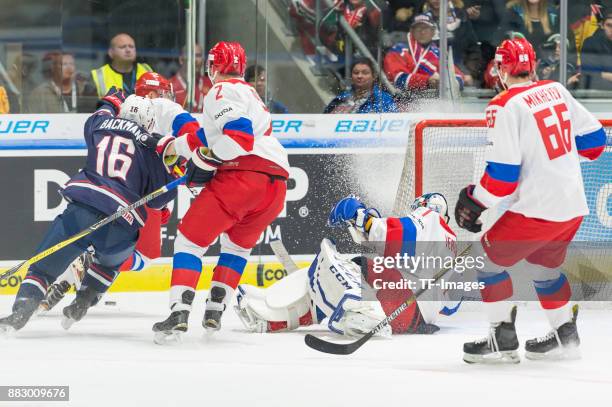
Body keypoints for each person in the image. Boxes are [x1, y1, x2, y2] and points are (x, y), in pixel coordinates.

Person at [454, 37, 606, 363]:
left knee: (486, 260)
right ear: (533, 64)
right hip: (572, 205)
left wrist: (474, 200)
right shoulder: (556, 89)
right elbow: (595, 142)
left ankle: (501, 340)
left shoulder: (502, 104)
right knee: (543, 267)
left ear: (499, 68)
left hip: (539, 209)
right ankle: (566, 337)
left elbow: (502, 178)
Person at [0, 91, 177, 333]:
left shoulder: (99, 124)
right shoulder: (153, 145)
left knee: (43, 267)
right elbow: (160, 199)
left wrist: (110, 100)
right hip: (122, 222)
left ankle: (21, 310)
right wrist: (175, 169)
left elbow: (103, 108)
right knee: (108, 265)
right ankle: (83, 301)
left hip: (82, 208)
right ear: (148, 121)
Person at [151, 41, 289, 343]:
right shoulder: (248, 93)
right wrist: (176, 147)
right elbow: (207, 134)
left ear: (213, 66)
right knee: (237, 248)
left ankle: (179, 312)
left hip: (244, 177)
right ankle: (214, 311)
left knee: (189, 241)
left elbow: (237, 136)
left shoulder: (220, 91)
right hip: (275, 186)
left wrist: (204, 158)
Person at [235, 193, 465, 336]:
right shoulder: (453, 247)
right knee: (339, 275)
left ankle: (360, 308)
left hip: (399, 303)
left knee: (330, 258)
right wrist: (368, 226)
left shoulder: (428, 216)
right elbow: (450, 307)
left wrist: (358, 214)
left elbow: (395, 234)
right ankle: (275, 318)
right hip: (412, 321)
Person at [384, 14, 465, 96]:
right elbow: (397, 78)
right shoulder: (397, 50)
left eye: (426, 28)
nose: (422, 32)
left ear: (433, 32)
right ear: (411, 31)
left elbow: (458, 76)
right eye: (418, 28)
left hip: (436, 103)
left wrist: (448, 83)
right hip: (402, 101)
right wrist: (427, 81)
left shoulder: (439, 53)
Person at [26, 52, 95, 113]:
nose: (69, 67)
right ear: (54, 68)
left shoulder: (85, 90)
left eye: (72, 64)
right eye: (64, 64)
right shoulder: (40, 93)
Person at [90, 33, 152, 98]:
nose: (128, 50)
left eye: (131, 46)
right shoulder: (98, 75)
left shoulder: (147, 70)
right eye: (122, 47)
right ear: (111, 52)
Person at [324, 58, 398, 113]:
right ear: (351, 76)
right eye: (356, 73)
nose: (359, 76)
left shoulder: (384, 99)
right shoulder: (341, 98)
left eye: (365, 73)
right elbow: (324, 122)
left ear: (374, 76)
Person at [169, 43, 212, 112]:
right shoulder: (170, 87)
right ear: (181, 60)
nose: (195, 60)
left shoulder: (211, 85)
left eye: (198, 55)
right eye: (191, 55)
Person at [581, 12, 612, 91]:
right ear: (602, 25)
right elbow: (590, 73)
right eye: (609, 25)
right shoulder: (591, 43)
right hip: (597, 92)